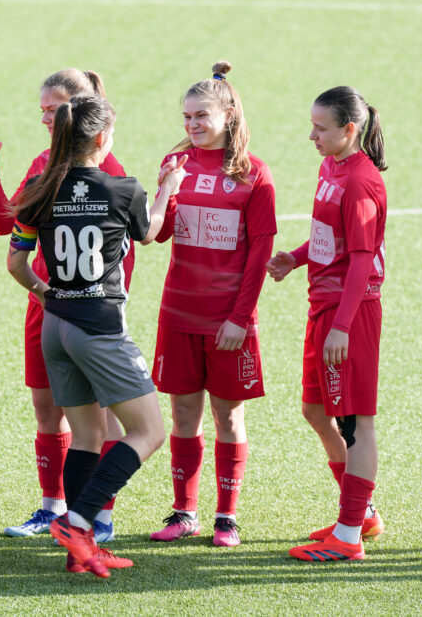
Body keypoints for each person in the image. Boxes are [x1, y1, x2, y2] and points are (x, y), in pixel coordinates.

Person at [7, 93, 184, 577]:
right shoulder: (122, 188)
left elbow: (16, 263)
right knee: (149, 431)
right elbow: (149, 233)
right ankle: (78, 520)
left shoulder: (40, 189)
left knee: (85, 438)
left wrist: (45, 294)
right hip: (99, 329)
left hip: (55, 329)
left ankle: (78, 553)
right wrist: (168, 186)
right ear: (103, 138)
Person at [0, 69, 131, 542]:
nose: (43, 118)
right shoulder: (43, 162)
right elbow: (7, 225)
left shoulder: (108, 171)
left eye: (51, 109)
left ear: (79, 111)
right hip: (46, 305)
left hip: (90, 311)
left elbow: (124, 255)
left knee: (97, 419)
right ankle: (51, 508)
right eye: (40, 108)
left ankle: (98, 516)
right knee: (46, 408)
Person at [147, 62, 276, 547]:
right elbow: (155, 235)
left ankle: (226, 516)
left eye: (201, 115)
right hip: (178, 312)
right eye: (186, 117)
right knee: (183, 414)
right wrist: (165, 188)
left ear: (228, 114)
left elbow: (260, 253)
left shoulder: (253, 174)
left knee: (228, 417)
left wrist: (239, 319)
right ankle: (184, 512)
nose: (192, 125)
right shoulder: (177, 164)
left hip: (228, 319)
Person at [266, 86, 387, 562]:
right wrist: (295, 259)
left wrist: (342, 325)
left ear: (349, 130)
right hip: (325, 306)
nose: (311, 135)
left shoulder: (360, 180)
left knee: (356, 424)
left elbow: (361, 261)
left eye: (321, 128)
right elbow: (328, 238)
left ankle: (350, 534)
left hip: (348, 315)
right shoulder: (331, 167)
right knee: (316, 411)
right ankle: (361, 514)